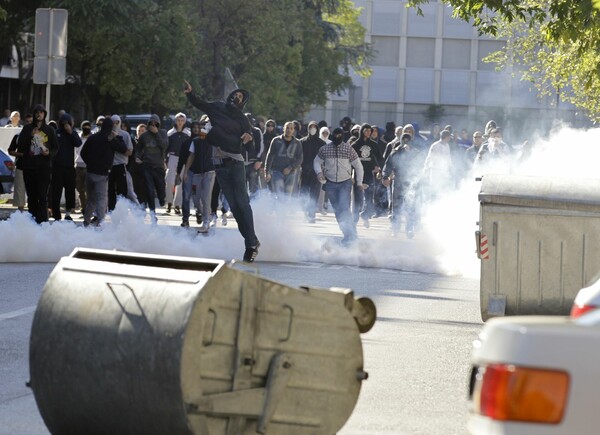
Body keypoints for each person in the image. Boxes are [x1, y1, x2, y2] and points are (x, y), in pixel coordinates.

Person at [184, 79, 260, 262]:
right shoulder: (217, 107)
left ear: (243, 103)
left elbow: (251, 148)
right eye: (235, 94)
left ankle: (251, 244)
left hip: (235, 163)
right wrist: (190, 93)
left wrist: (249, 138)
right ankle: (252, 241)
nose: (236, 96)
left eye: (240, 97)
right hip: (219, 165)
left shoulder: (242, 120)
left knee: (242, 204)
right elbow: (200, 103)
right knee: (234, 207)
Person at [314, 127, 366, 244]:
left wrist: (359, 182)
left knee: (344, 208)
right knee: (338, 210)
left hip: (345, 183)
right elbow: (316, 161)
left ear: (343, 136)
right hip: (330, 183)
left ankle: (351, 236)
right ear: (332, 136)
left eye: (340, 135)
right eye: (335, 135)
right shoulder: (325, 149)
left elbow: (358, 166)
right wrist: (319, 173)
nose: (337, 137)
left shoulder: (349, 149)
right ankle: (348, 234)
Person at [15, 104, 58, 223]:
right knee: (32, 197)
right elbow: (20, 146)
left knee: (42, 197)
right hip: (29, 168)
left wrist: (49, 153)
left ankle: (43, 223)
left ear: (44, 114)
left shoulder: (49, 130)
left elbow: (55, 148)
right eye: (37, 112)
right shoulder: (27, 128)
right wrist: (30, 136)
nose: (39, 114)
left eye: (41, 112)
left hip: (44, 168)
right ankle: (32, 223)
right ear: (34, 114)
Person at [80, 118, 128, 227]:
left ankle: (86, 222)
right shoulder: (110, 139)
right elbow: (124, 149)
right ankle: (100, 223)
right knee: (101, 200)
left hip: (90, 172)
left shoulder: (92, 137)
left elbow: (83, 153)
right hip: (102, 174)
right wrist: (117, 137)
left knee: (91, 200)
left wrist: (90, 164)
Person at [176, 121, 216, 232]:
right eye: (201, 128)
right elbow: (191, 156)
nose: (202, 130)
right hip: (197, 173)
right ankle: (204, 214)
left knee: (206, 197)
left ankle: (206, 222)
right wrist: (185, 172)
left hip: (209, 172)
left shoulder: (213, 141)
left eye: (204, 128)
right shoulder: (195, 141)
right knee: (196, 198)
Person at [382, 133, 420, 238]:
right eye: (404, 139)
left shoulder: (415, 152)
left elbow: (419, 166)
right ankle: (395, 229)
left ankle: (409, 229)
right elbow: (388, 165)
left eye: (408, 139)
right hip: (398, 181)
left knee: (410, 207)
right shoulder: (396, 151)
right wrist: (385, 177)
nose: (406, 141)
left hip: (410, 182)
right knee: (396, 207)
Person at [135, 114, 168, 222]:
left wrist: (156, 134)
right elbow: (138, 149)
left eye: (155, 124)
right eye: (151, 124)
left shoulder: (162, 133)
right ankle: (153, 214)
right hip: (147, 165)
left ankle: (162, 199)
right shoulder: (144, 136)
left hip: (158, 166)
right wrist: (137, 157)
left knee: (161, 190)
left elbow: (164, 145)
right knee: (149, 190)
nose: (153, 125)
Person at [51, 113, 82, 221]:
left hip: (69, 167)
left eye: (68, 123)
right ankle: (56, 214)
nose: (66, 125)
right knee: (56, 192)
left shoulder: (73, 133)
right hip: (57, 167)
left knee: (70, 191)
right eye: (64, 123)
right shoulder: (56, 133)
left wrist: (71, 132)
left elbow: (78, 143)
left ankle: (68, 213)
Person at [351, 123, 382, 228]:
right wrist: (351, 174)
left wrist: (379, 170)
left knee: (369, 197)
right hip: (358, 174)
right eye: (366, 131)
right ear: (362, 131)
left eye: (370, 131)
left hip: (369, 174)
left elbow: (380, 159)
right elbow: (349, 161)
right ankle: (354, 220)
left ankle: (365, 215)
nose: (368, 133)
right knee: (357, 198)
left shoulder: (374, 145)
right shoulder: (355, 145)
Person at [265, 121, 303, 199]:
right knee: (279, 194)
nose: (289, 130)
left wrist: (290, 167)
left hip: (291, 172)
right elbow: (269, 156)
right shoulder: (276, 140)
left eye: (291, 128)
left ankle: (284, 211)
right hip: (277, 171)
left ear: (294, 130)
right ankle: (279, 210)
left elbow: (300, 158)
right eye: (287, 128)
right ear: (283, 129)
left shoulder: (297, 143)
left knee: (287, 196)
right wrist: (267, 171)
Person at [300, 121, 325, 223]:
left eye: (314, 127)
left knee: (314, 194)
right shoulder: (302, 142)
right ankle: (306, 211)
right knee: (304, 192)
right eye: (311, 127)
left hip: (317, 172)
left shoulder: (321, 143)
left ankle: (311, 214)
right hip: (305, 171)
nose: (312, 129)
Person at [107, 115, 133, 211]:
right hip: (109, 166)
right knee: (110, 191)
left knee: (122, 191)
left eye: (117, 122)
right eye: (113, 122)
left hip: (121, 165)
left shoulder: (125, 135)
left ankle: (122, 211)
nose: (115, 124)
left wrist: (120, 147)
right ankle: (111, 211)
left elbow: (130, 152)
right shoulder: (106, 134)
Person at [165, 112, 189, 214]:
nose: (180, 122)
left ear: (185, 121)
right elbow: (165, 148)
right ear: (175, 121)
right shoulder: (170, 133)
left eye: (182, 120)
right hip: (172, 158)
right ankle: (169, 203)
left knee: (180, 183)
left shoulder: (188, 134)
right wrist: (164, 161)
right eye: (178, 120)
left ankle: (177, 204)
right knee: (169, 181)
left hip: (183, 160)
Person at [75, 120, 93, 215]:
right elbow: (76, 150)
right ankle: (83, 208)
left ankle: (89, 210)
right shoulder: (78, 136)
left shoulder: (93, 137)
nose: (86, 128)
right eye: (84, 126)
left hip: (89, 166)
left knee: (88, 189)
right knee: (80, 189)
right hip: (79, 165)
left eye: (88, 126)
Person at [7, 132, 26, 212]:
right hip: (20, 166)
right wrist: (22, 155)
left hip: (35, 168)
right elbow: (10, 150)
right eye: (27, 121)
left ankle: (35, 213)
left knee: (36, 192)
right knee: (19, 192)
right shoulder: (18, 135)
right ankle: (20, 214)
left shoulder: (39, 135)